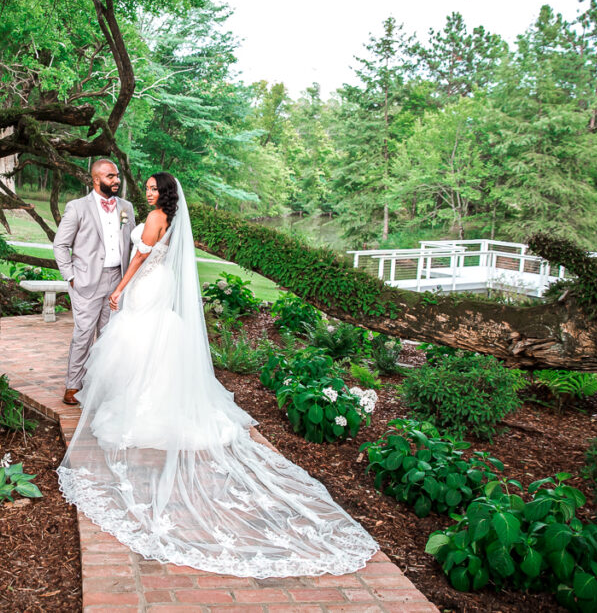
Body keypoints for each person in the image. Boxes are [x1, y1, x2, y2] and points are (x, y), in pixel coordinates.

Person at [56, 172, 380, 578]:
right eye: (149, 188)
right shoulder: (167, 217)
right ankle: (149, 395)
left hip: (144, 280)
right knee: (152, 340)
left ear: (165, 194)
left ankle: (141, 403)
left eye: (155, 188)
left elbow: (139, 257)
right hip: (160, 282)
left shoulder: (155, 217)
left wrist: (119, 289)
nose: (148, 191)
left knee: (139, 340)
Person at [53, 159, 136, 405]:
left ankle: (103, 386)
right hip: (86, 281)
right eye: (111, 176)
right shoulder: (78, 207)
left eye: (117, 176)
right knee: (83, 334)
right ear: (96, 179)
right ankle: (73, 385)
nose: (116, 180)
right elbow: (60, 244)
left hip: (116, 280)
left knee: (110, 336)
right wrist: (70, 276)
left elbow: (129, 243)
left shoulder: (126, 208)